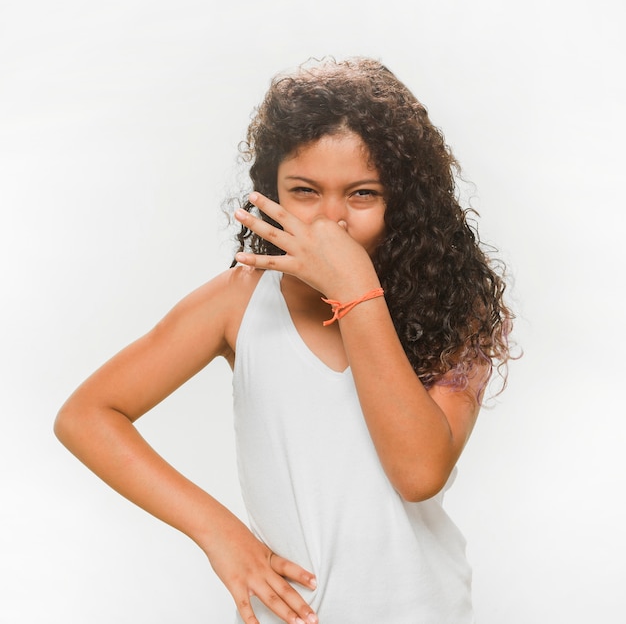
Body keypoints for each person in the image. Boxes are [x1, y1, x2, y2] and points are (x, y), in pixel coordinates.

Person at [55, 57, 513, 624]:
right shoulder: (239, 301)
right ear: (268, 192)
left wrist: (356, 293)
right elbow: (87, 415)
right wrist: (220, 533)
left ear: (406, 200)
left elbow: (418, 475)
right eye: (304, 191)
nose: (330, 221)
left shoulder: (458, 307)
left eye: (363, 194)